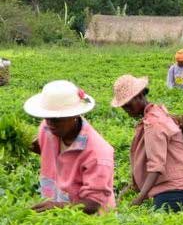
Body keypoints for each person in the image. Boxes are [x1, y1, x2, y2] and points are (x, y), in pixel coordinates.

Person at [23, 81, 115, 214]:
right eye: (47, 117)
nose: (49, 123)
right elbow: (45, 148)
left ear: (74, 116)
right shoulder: (48, 129)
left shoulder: (98, 153)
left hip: (92, 222)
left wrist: (57, 206)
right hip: (59, 205)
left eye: (56, 119)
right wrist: (19, 141)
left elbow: (93, 204)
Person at [111, 75, 183, 211]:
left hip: (174, 191)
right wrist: (129, 190)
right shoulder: (157, 113)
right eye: (124, 106)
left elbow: (156, 167)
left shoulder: (154, 123)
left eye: (129, 104)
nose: (126, 109)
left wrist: (139, 198)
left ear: (140, 96)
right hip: (181, 189)